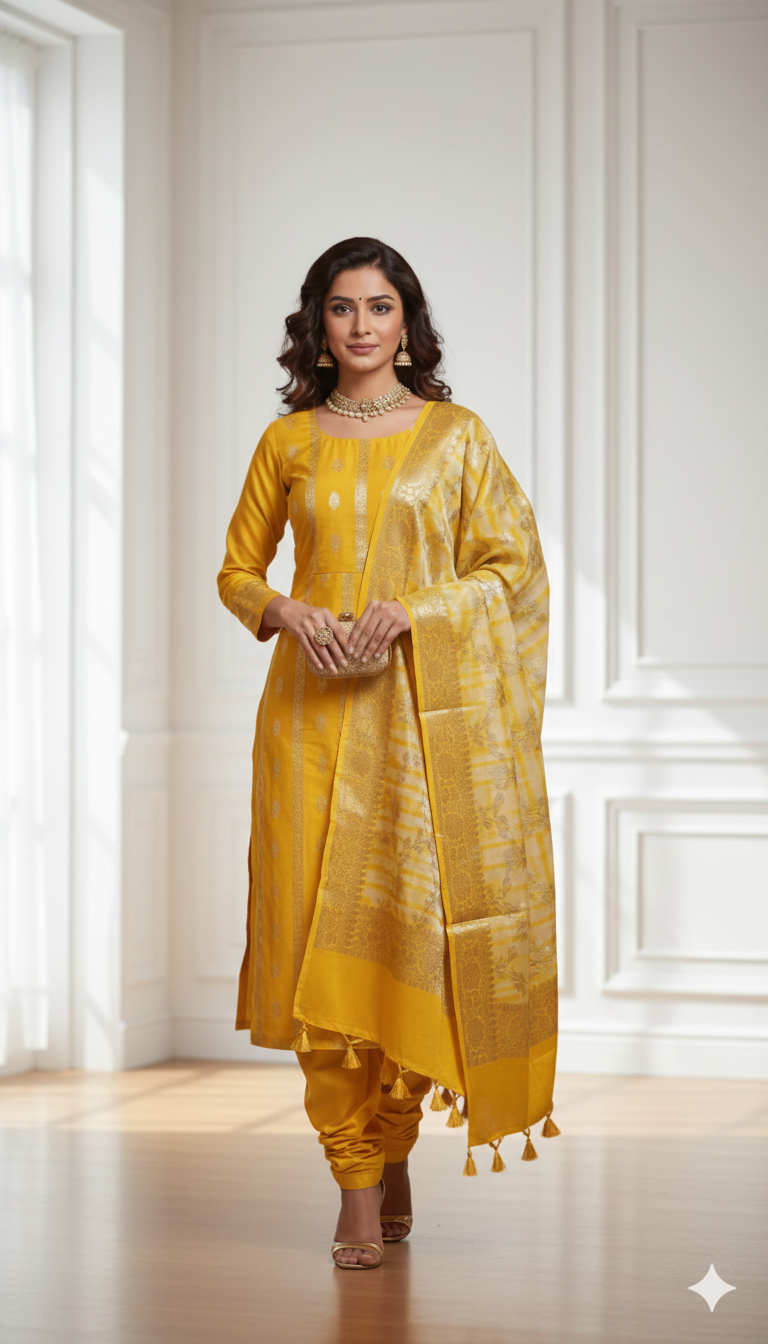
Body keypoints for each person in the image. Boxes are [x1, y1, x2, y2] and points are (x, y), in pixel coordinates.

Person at [217, 237, 560, 1270]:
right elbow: (236, 570)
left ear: (407, 321)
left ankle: (394, 1143)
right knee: (321, 954)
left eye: (379, 306)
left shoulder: (457, 439)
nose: (360, 325)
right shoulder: (290, 442)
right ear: (316, 327)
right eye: (340, 308)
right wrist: (284, 610)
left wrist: (416, 611)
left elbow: (512, 572)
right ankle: (356, 1185)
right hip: (308, 729)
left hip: (417, 728)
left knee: (411, 942)